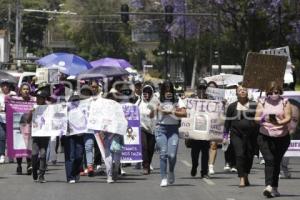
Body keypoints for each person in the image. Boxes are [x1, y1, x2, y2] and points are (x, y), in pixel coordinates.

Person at [255, 81, 292, 198]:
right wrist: (263, 120)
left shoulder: (285, 102)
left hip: (282, 136)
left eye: (275, 92)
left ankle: (274, 187)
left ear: (280, 92)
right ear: (267, 92)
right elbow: (256, 117)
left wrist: (279, 122)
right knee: (269, 159)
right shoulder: (262, 101)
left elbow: (289, 117)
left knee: (276, 162)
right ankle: (268, 186)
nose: (273, 94)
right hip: (265, 136)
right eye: (270, 92)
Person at [223, 85, 259, 187]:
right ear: (236, 93)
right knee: (239, 155)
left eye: (244, 90)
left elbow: (260, 118)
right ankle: (241, 178)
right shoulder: (232, 106)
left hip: (251, 136)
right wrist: (225, 136)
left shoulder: (254, 105)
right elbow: (227, 122)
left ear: (248, 92)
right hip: (236, 134)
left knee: (249, 156)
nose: (242, 91)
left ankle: (246, 174)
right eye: (240, 90)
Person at [155, 80, 187, 187]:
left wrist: (172, 112)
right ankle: (163, 178)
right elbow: (151, 111)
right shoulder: (157, 98)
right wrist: (157, 108)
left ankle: (171, 171)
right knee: (163, 154)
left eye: (170, 89)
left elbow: (184, 113)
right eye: (165, 89)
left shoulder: (177, 99)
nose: (168, 91)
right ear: (163, 90)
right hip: (161, 128)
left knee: (172, 155)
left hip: (173, 129)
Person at [189, 79, 211, 179]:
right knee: (195, 152)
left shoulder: (210, 99)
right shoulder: (192, 98)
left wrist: (222, 104)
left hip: (206, 130)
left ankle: (204, 172)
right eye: (200, 87)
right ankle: (194, 165)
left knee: (205, 152)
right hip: (195, 129)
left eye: (204, 88)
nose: (202, 90)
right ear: (197, 89)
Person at [31, 87, 51, 183]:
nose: (38, 100)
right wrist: (31, 113)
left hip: (45, 135)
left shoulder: (49, 108)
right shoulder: (34, 107)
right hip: (35, 135)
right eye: (37, 98)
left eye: (40, 98)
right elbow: (27, 121)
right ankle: (34, 169)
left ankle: (41, 175)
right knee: (34, 154)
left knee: (43, 154)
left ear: (44, 99)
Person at [136, 83, 157, 175]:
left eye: (149, 92)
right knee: (144, 147)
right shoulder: (139, 102)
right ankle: (145, 166)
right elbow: (132, 110)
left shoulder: (156, 102)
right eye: (145, 92)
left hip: (153, 129)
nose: (147, 94)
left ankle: (148, 164)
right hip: (142, 127)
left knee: (151, 148)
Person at [15, 83, 34, 175]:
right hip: (19, 126)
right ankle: (19, 165)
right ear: (20, 91)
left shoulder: (33, 100)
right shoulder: (15, 100)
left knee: (28, 146)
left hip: (30, 126)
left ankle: (29, 164)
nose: (26, 91)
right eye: (24, 89)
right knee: (20, 145)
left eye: (27, 89)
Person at [0, 82, 16, 164]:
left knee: (11, 139)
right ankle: (2, 155)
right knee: (2, 137)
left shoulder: (13, 94)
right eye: (3, 86)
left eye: (7, 86)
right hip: (1, 119)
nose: (5, 87)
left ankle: (11, 155)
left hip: (11, 119)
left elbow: (17, 104)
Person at [206, 81, 219, 175]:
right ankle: (205, 164)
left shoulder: (220, 99)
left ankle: (211, 166)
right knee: (205, 146)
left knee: (214, 145)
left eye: (214, 88)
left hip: (215, 124)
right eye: (210, 87)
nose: (212, 90)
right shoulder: (203, 98)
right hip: (203, 125)